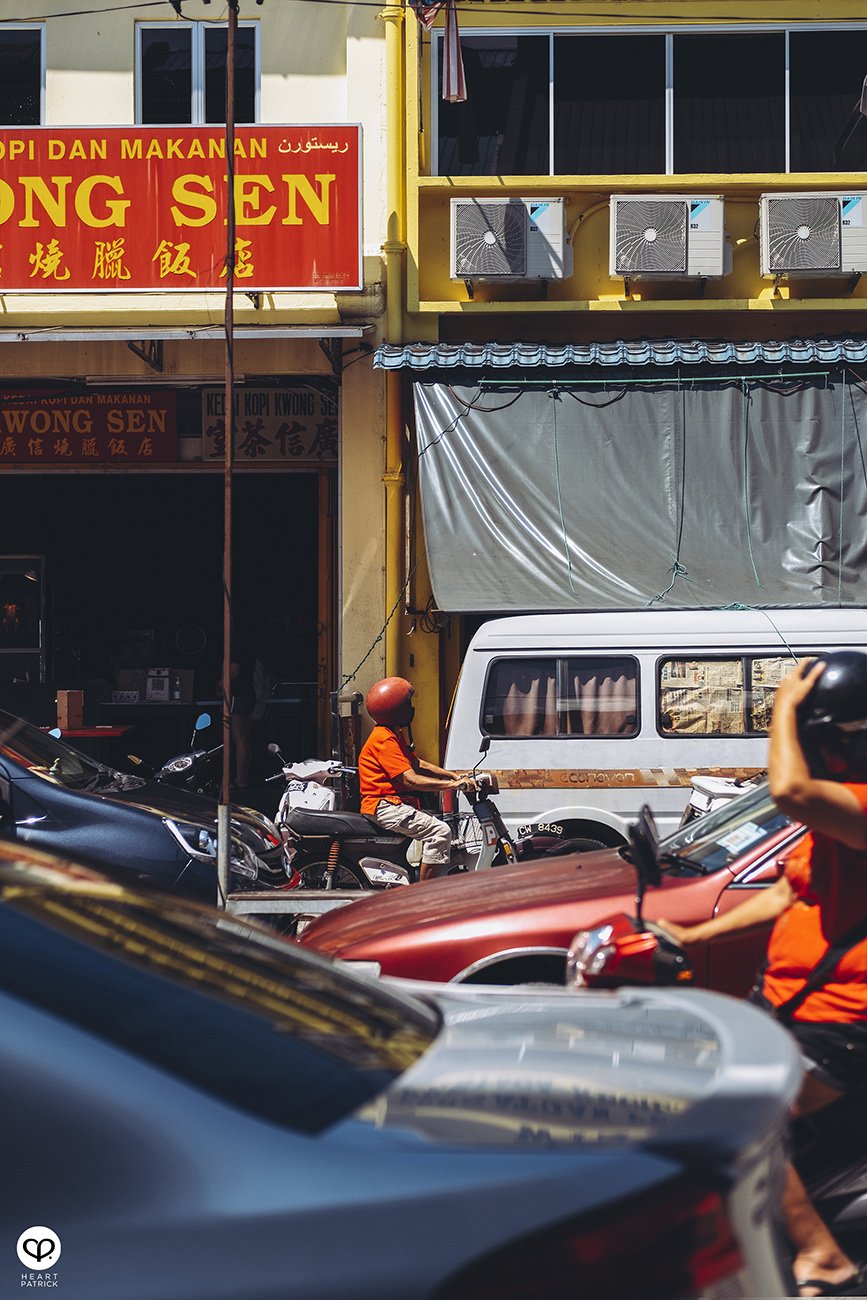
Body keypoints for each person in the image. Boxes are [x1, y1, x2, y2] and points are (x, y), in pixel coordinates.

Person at [661, 652, 867, 1298]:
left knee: (732, 1117)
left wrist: (780, 704)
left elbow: (788, 792)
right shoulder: (833, 817)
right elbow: (785, 894)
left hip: (840, 1019)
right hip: (786, 1005)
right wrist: (691, 936)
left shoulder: (854, 807)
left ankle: (821, 1255)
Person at [359, 676, 470, 882]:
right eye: (407, 704)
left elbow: (415, 763)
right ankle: (424, 892)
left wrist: (451, 774)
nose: (411, 709)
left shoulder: (392, 733)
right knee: (440, 831)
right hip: (384, 806)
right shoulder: (384, 740)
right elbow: (411, 780)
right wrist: (453, 785)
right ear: (397, 709)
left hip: (393, 803)